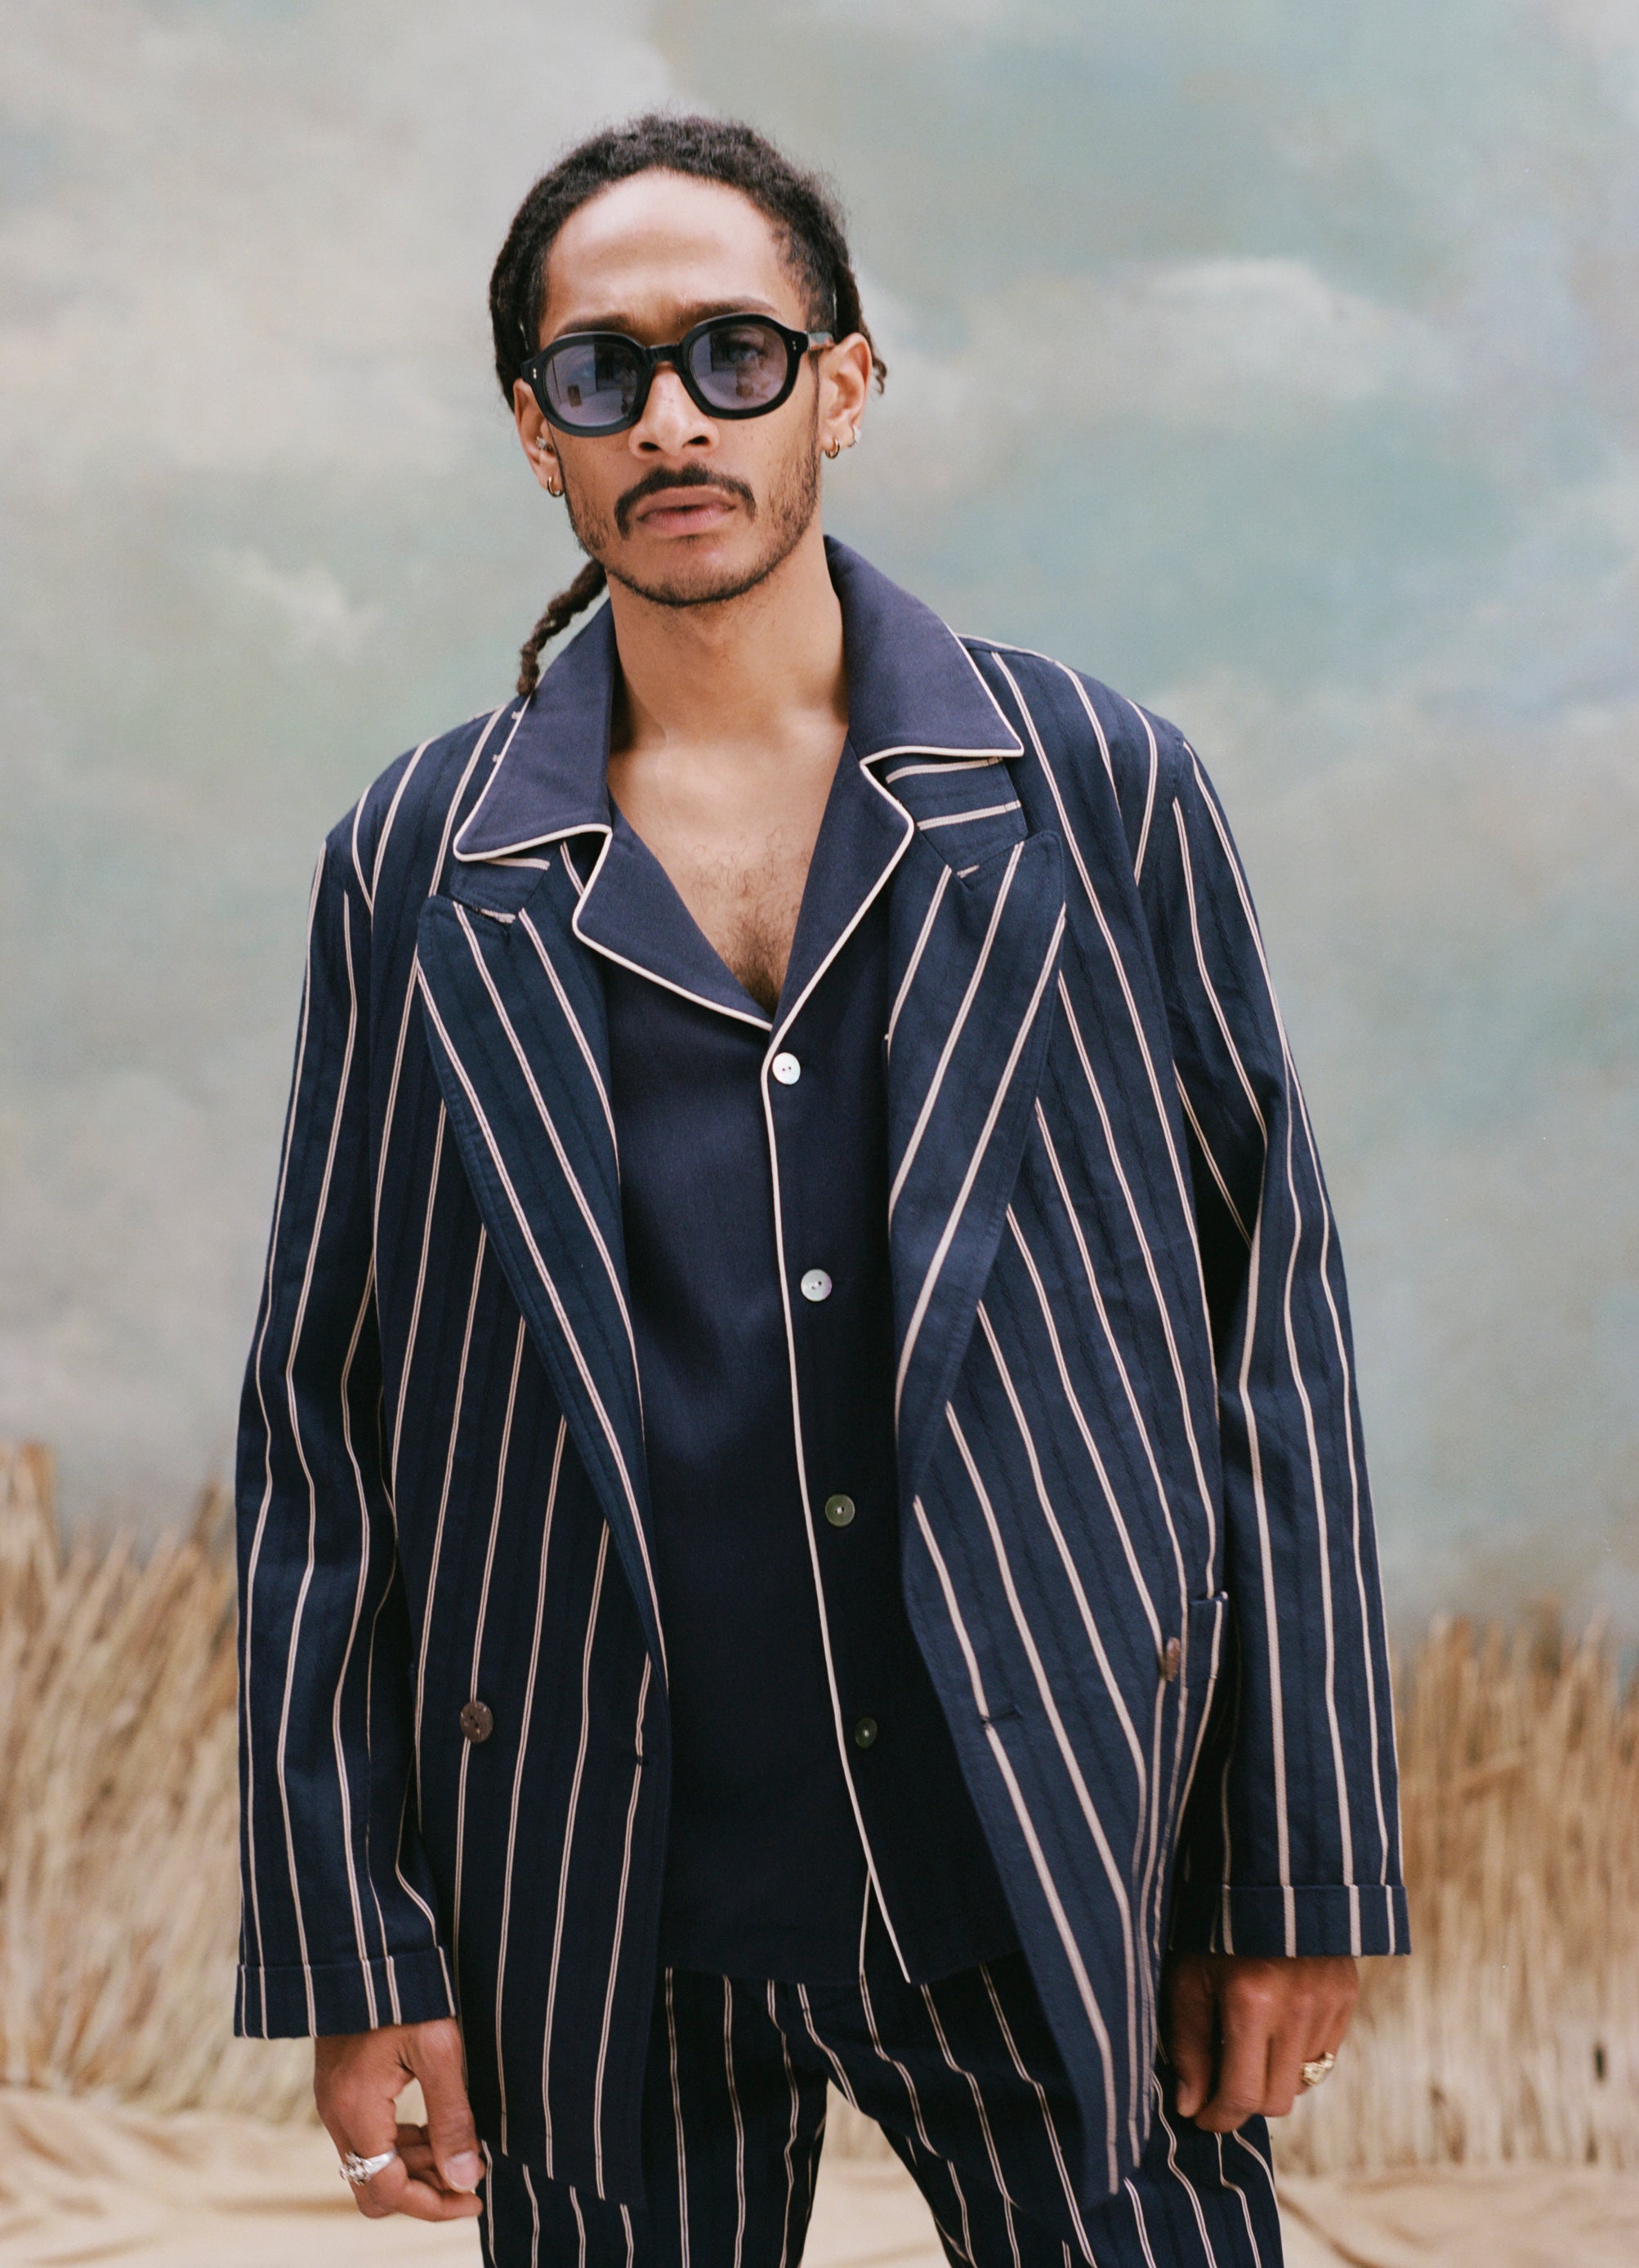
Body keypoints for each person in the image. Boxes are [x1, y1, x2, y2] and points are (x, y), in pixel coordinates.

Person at [234, 113, 1408, 2268]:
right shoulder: (415, 871)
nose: (670, 416)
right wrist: (351, 1935)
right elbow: (325, 1420)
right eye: (602, 373)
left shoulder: (1102, 795)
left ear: (843, 386)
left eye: (735, 355)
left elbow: (1278, 1346)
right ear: (535, 432)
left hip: (1052, 1855)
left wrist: (1296, 1875)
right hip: (601, 1892)